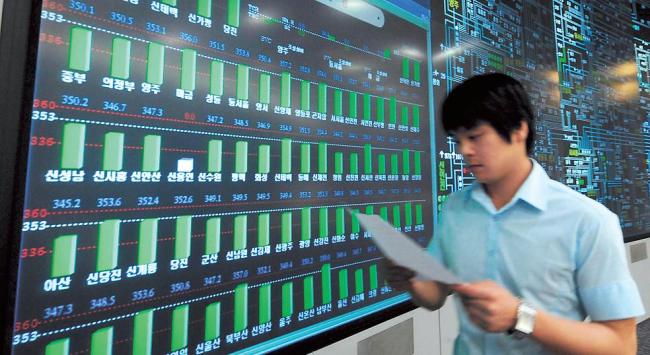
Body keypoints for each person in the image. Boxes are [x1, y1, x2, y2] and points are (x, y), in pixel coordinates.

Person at [385, 73, 645, 354]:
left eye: (474, 136)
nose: (464, 151)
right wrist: (412, 280)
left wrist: (520, 317)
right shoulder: (455, 208)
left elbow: (621, 344)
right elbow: (436, 294)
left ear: (519, 129)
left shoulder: (588, 220)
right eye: (457, 140)